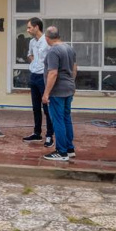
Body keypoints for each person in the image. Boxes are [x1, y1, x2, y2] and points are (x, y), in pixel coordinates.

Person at [42, 26, 77, 161]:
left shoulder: (53, 51)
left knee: (58, 120)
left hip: (57, 91)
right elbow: (74, 68)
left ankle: (61, 151)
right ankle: (69, 149)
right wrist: (71, 83)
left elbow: (53, 73)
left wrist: (46, 93)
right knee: (66, 118)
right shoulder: (69, 48)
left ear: (47, 38)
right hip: (69, 88)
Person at [23, 18, 54, 147]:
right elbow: (30, 55)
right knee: (36, 107)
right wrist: (34, 63)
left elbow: (52, 57)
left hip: (44, 76)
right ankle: (37, 133)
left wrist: (44, 68)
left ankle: (49, 135)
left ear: (36, 27)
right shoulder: (32, 42)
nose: (28, 30)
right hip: (34, 75)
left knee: (47, 107)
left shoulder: (46, 41)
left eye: (29, 27)